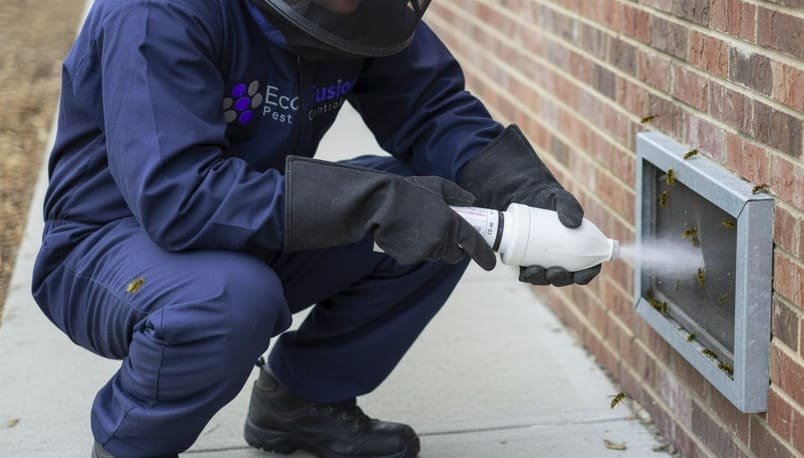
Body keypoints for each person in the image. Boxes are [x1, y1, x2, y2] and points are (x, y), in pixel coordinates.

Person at [32, 0, 601, 456]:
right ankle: (131, 445)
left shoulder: (362, 13)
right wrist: (374, 203)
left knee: (447, 215)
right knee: (229, 299)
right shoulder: (159, 13)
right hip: (110, 244)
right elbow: (177, 197)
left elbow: (433, 110)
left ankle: (303, 404)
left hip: (253, 223)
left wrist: (523, 191)